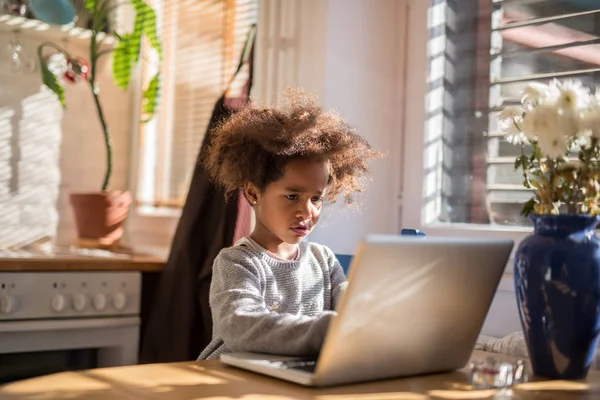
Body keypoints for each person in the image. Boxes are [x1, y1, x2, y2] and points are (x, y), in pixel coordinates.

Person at [198, 88, 380, 360]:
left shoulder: (324, 261)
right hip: (232, 379)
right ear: (253, 193)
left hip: (292, 378)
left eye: (316, 198)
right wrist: (329, 329)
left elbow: (351, 313)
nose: (307, 211)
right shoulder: (236, 263)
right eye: (292, 196)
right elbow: (240, 327)